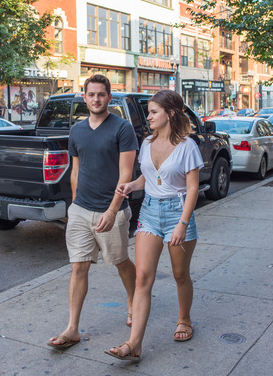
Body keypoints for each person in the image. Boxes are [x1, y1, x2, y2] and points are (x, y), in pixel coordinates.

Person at [105, 90, 203, 362]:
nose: (148, 116)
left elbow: (193, 189)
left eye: (153, 112)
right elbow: (147, 179)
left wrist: (182, 223)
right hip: (149, 211)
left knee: (180, 275)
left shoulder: (187, 146)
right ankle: (134, 343)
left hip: (177, 213)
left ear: (170, 113)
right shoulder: (147, 143)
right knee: (143, 277)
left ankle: (184, 318)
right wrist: (130, 185)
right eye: (149, 112)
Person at [47, 74, 138, 350]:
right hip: (81, 211)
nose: (96, 99)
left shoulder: (122, 129)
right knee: (78, 266)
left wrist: (112, 211)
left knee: (120, 261)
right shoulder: (77, 130)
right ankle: (72, 327)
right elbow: (76, 170)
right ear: (84, 97)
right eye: (91, 94)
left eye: (101, 94)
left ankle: (134, 303)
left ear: (109, 97)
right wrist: (74, 204)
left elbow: (126, 176)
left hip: (112, 211)